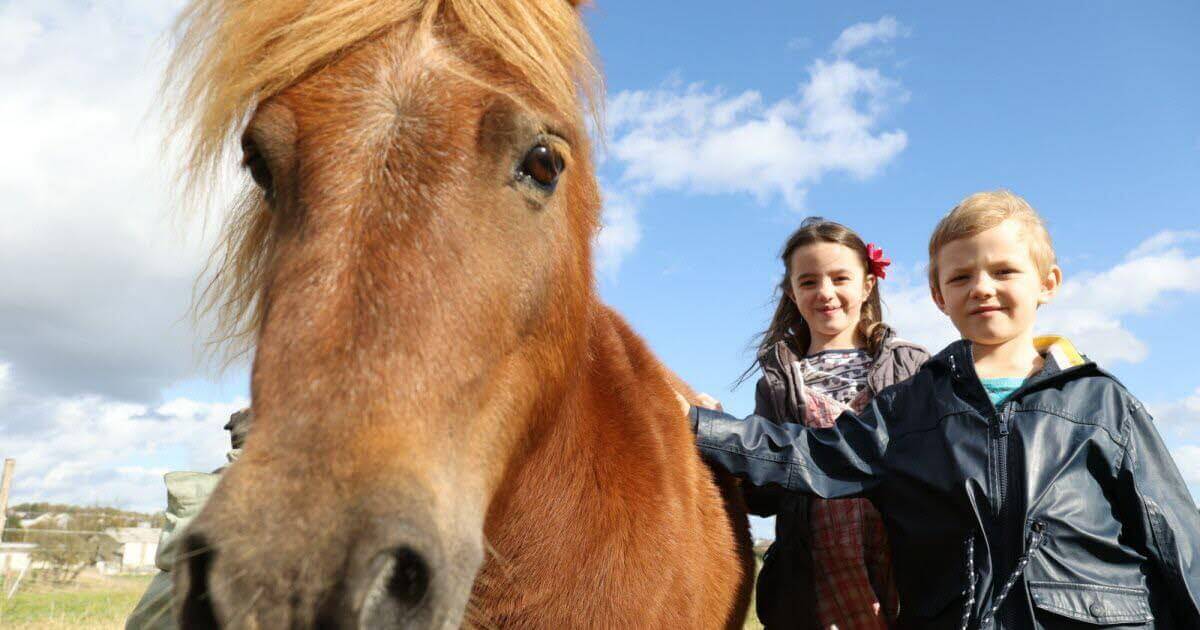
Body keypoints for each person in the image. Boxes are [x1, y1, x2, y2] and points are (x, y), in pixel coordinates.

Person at [689, 191, 1200, 629]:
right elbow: (812, 455)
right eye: (961, 277)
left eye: (1004, 271)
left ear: (1047, 283)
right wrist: (694, 424)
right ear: (938, 295)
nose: (982, 287)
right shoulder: (911, 405)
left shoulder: (1101, 401)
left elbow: (1176, 536)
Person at [734, 217, 929, 629]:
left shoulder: (911, 366)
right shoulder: (777, 382)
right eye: (808, 282)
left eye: (840, 278)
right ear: (792, 291)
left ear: (867, 284)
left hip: (903, 570)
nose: (825, 293)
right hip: (814, 581)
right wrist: (729, 444)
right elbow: (764, 496)